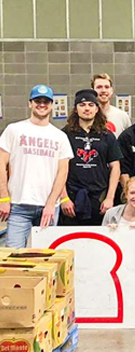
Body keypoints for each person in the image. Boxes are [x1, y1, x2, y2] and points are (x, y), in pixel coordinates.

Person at [0, 85, 73, 248]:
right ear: (30, 104)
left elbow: (62, 172)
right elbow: (1, 164)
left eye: (46, 101)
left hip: (48, 207)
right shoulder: (14, 130)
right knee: (14, 256)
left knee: (45, 258)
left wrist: (51, 203)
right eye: (37, 101)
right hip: (18, 205)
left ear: (52, 105)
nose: (42, 104)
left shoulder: (60, 136)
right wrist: (3, 197)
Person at [60, 89, 122, 226]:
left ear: (96, 109)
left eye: (90, 105)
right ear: (76, 109)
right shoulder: (64, 135)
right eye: (82, 105)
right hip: (72, 199)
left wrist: (110, 197)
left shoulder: (107, 135)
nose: (86, 108)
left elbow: (115, 167)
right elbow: (58, 169)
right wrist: (64, 198)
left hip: (99, 200)